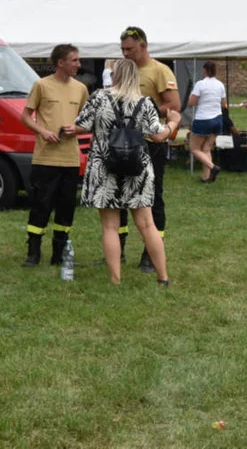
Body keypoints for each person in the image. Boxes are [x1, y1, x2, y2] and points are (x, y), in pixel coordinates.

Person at [74, 58, 179, 286]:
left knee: (110, 227)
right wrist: (173, 122)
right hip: (137, 170)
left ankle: (115, 280)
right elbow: (159, 136)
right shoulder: (145, 103)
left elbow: (81, 125)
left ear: (115, 76)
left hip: (105, 167)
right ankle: (163, 277)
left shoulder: (99, 98)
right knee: (147, 225)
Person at [19, 44, 90, 267]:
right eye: (74, 60)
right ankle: (33, 253)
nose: (79, 64)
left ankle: (58, 254)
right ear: (61, 63)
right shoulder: (41, 85)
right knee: (41, 205)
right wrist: (43, 131)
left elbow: (88, 121)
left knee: (66, 207)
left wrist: (76, 129)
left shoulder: (81, 88)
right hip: (45, 159)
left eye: (78, 60)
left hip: (70, 159)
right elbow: (26, 116)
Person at [117, 26, 179, 272]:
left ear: (143, 46)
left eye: (129, 49)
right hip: (121, 143)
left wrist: (145, 110)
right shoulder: (122, 71)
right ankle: (117, 249)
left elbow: (174, 105)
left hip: (150, 144)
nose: (125, 53)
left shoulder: (159, 70)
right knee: (118, 197)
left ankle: (150, 254)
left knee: (152, 198)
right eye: (122, 49)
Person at [186, 60, 227, 182]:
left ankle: (213, 167)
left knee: (194, 148)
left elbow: (191, 103)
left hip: (203, 119)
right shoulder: (220, 84)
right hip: (217, 119)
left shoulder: (200, 84)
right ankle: (206, 177)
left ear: (205, 70)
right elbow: (223, 104)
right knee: (206, 149)